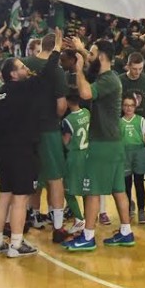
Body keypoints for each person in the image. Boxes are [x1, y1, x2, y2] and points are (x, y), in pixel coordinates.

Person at [0, 32, 63, 258]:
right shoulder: (26, 88)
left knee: (4, 196)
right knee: (20, 199)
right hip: (22, 152)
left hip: (2, 152)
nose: (25, 69)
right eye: (21, 67)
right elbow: (49, 72)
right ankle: (16, 245)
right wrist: (56, 47)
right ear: (13, 74)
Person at [64, 38, 135, 251]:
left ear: (102, 56)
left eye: (93, 54)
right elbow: (93, 64)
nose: (89, 58)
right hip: (113, 143)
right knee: (118, 190)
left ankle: (88, 236)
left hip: (102, 144)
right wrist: (81, 50)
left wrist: (78, 69)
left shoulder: (108, 80)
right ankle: (126, 232)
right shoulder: (108, 76)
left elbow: (85, 93)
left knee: (92, 191)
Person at [22, 32, 68, 243]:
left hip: (27, 128)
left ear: (40, 45)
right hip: (48, 127)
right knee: (55, 177)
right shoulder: (56, 70)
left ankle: (30, 215)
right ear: (56, 47)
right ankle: (58, 227)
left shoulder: (23, 64)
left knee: (30, 175)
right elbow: (61, 106)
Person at [61, 93, 89, 236]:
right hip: (88, 154)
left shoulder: (68, 120)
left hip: (75, 156)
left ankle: (79, 220)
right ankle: (89, 219)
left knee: (67, 189)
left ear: (68, 102)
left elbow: (66, 141)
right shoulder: (86, 112)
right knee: (86, 188)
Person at [120, 94, 145, 224]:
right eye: (126, 105)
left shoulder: (141, 120)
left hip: (139, 152)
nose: (128, 108)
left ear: (135, 107)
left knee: (139, 182)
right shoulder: (119, 121)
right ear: (122, 107)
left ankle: (141, 210)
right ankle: (128, 209)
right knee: (126, 184)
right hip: (124, 153)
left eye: (131, 105)